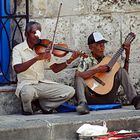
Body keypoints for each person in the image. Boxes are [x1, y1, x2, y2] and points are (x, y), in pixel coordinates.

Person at [12, 21, 80, 115]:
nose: (37, 36)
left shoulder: (44, 49)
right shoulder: (18, 49)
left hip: (42, 84)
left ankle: (45, 106)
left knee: (70, 91)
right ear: (26, 34)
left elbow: (55, 68)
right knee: (27, 93)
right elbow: (17, 69)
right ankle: (27, 109)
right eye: (34, 33)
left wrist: (70, 60)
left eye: (39, 33)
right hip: (26, 84)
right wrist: (36, 58)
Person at [75, 31, 140, 115]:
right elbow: (78, 74)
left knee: (121, 71)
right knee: (78, 77)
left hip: (108, 96)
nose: (102, 47)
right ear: (91, 47)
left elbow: (124, 75)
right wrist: (97, 69)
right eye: (99, 45)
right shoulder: (85, 60)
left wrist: (127, 54)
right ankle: (82, 104)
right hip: (91, 97)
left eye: (103, 44)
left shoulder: (108, 60)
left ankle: (135, 100)